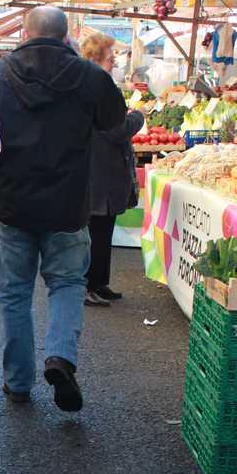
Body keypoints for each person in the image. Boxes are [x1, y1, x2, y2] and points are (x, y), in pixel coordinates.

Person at [0, 5, 126, 412]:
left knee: (14, 292)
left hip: (12, 202)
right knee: (67, 283)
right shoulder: (89, 75)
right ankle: (60, 357)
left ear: (23, 33)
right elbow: (114, 120)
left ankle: (18, 383)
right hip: (68, 203)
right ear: (66, 36)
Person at [80, 33, 145, 307]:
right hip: (100, 168)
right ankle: (88, 285)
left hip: (103, 167)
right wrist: (139, 116)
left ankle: (99, 282)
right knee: (96, 230)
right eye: (110, 59)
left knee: (103, 229)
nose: (114, 63)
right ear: (94, 59)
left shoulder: (95, 84)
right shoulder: (97, 87)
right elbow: (117, 130)